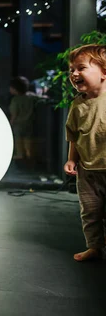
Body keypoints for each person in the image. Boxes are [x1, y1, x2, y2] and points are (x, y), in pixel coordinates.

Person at [64, 44, 106, 262]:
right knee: (90, 211)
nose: (74, 74)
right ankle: (94, 246)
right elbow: (74, 135)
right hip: (87, 171)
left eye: (81, 68)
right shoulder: (77, 105)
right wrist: (72, 159)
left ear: (104, 72)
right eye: (72, 70)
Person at [9, 76, 37, 162]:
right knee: (27, 139)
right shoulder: (31, 96)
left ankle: (20, 154)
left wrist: (10, 123)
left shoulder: (15, 100)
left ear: (15, 89)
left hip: (18, 124)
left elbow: (14, 114)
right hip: (29, 123)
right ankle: (29, 154)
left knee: (18, 139)